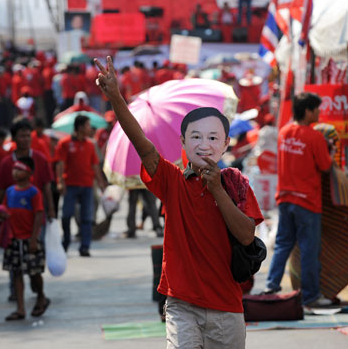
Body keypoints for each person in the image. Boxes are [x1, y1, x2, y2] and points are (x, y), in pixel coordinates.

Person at [94, 56, 263, 349]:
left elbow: (247, 235)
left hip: (226, 305)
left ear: (225, 144)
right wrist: (116, 99)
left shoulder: (235, 182)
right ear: (183, 143)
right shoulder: (173, 181)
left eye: (213, 137)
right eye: (195, 137)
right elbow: (143, 146)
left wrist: (218, 190)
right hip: (181, 303)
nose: (204, 144)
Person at [263, 92, 333, 310]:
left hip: (285, 198)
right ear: (308, 111)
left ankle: (271, 286)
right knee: (308, 250)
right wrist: (328, 149)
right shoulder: (314, 137)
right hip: (307, 202)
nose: (319, 113)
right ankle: (311, 296)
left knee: (283, 245)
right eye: (317, 109)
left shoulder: (284, 132)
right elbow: (325, 166)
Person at [2, 157, 50, 321]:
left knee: (34, 273)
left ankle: (41, 296)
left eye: (20, 169)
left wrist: (34, 239)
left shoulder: (33, 192)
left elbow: (38, 215)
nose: (15, 172)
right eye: (14, 168)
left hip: (29, 238)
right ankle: (20, 309)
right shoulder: (9, 191)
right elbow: (6, 211)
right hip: (14, 239)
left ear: (29, 172)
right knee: (16, 274)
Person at [56, 114, 107, 256]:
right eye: (88, 125)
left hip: (87, 185)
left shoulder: (90, 144)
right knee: (66, 215)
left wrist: (101, 183)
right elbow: (60, 163)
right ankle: (65, 243)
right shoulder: (65, 143)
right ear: (80, 127)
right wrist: (60, 181)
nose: (90, 128)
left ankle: (85, 246)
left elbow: (95, 165)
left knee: (86, 217)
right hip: (70, 185)